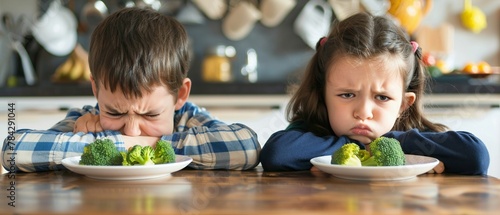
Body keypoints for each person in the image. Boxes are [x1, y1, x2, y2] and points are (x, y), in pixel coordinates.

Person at [2, 7, 260, 172]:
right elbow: (14, 149)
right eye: (114, 113)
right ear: (96, 89)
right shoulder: (88, 120)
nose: (132, 131)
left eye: (150, 115)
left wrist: (115, 145)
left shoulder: (186, 118)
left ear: (180, 95)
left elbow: (246, 146)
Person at [259, 13, 489, 175]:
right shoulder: (311, 133)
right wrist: (353, 148)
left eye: (382, 97)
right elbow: (277, 154)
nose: (363, 112)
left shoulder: (412, 137)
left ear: (403, 104)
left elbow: (476, 156)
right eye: (347, 95)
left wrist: (394, 145)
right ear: (322, 95)